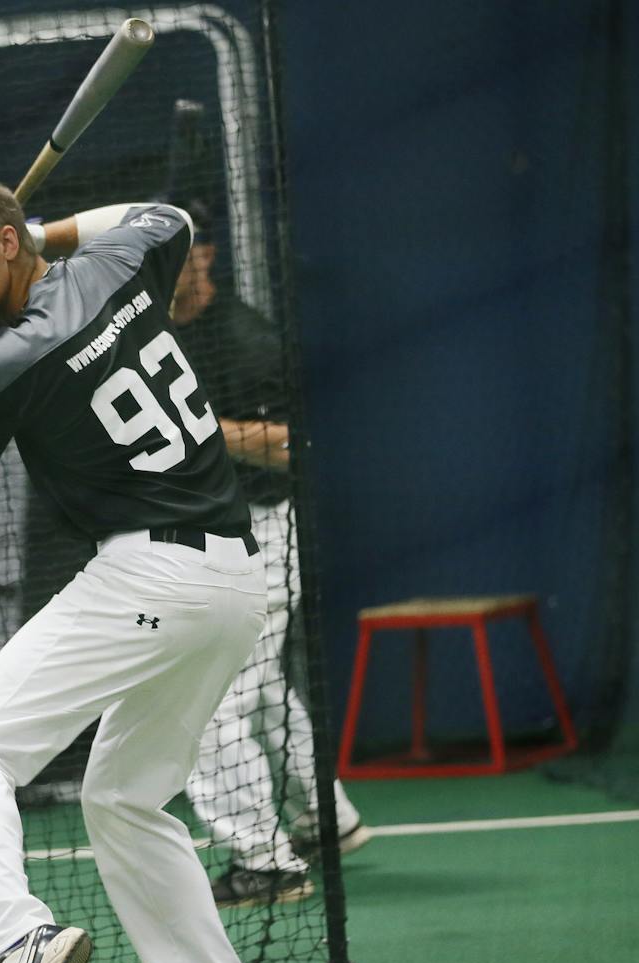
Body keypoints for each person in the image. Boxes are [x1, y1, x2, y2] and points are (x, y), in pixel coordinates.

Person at [0, 175, 296, 963]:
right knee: (122, 799)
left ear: (5, 244)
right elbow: (170, 216)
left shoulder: (8, 356)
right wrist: (34, 232)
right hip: (235, 574)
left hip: (152, 572)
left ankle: (18, 945)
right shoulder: (123, 269)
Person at [169, 202, 370, 908]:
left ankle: (266, 861)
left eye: (183, 249)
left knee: (205, 708)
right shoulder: (161, 333)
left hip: (262, 544)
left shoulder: (248, 341)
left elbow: (293, 450)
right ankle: (328, 819)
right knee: (264, 695)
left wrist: (203, 430)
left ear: (209, 255)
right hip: (214, 542)